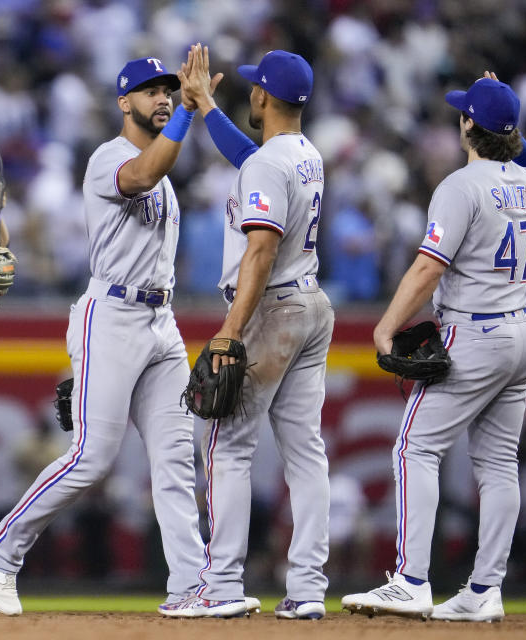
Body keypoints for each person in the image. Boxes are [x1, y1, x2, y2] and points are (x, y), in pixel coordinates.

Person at [0, 52, 209, 617]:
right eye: (150, 91)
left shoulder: (168, 168)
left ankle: (191, 586)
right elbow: (144, 174)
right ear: (124, 102)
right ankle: (0, 551)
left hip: (161, 321)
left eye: (168, 91)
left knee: (177, 458)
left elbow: (160, 170)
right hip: (113, 315)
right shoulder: (109, 157)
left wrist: (196, 111)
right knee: (91, 457)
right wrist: (188, 115)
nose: (162, 98)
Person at [340, 72, 526, 622]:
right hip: (523, 335)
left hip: (476, 332)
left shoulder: (460, 187)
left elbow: (426, 268)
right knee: (499, 463)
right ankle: (485, 590)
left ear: (468, 126)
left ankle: (412, 580)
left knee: (414, 447)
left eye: (465, 113)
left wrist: (386, 325)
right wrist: (509, 127)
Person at [172, 46, 334, 620]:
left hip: (271, 310)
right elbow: (251, 159)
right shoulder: (304, 153)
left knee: (228, 445)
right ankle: (309, 589)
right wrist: (208, 106)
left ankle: (220, 585)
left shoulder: (269, 163)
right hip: (311, 304)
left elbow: (260, 249)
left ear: (264, 95)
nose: (249, 95)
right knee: (306, 452)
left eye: (251, 89)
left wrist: (229, 330)